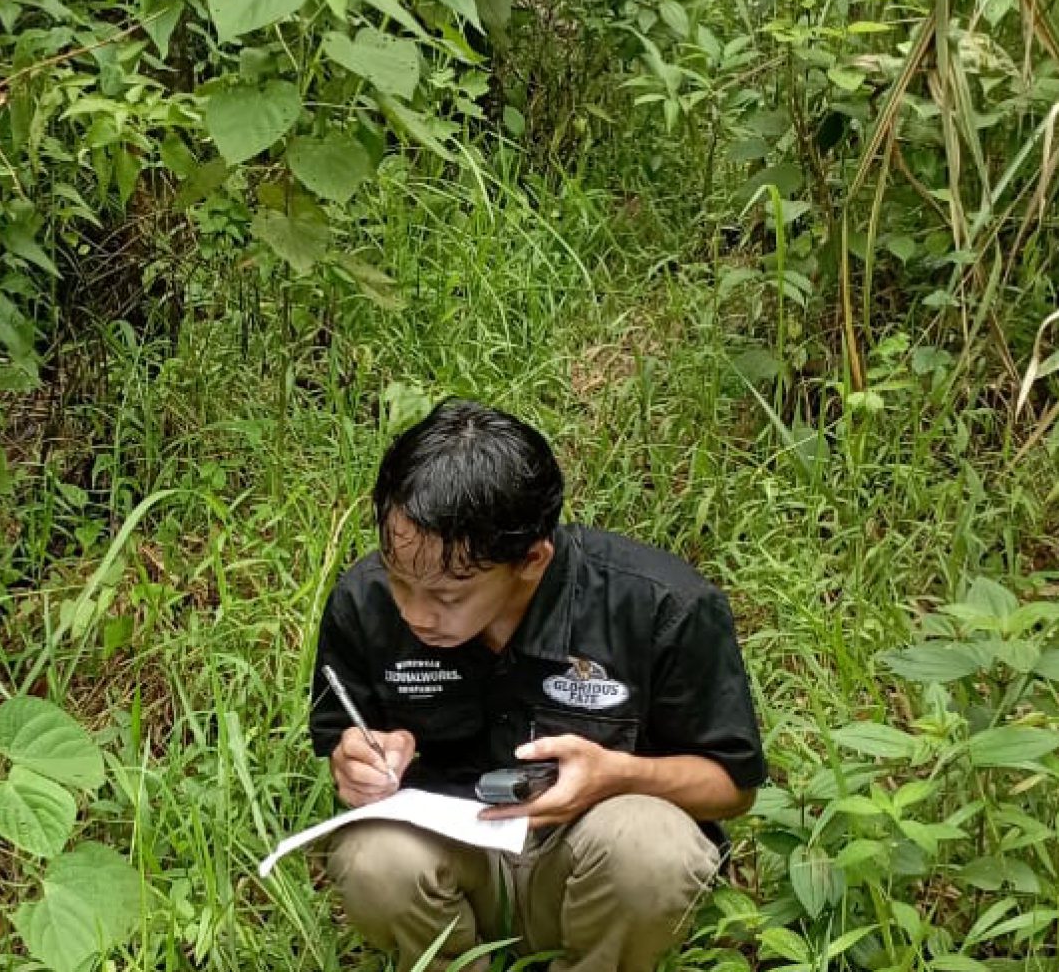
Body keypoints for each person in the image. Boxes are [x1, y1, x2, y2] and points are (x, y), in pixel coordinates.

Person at [310, 401, 766, 972]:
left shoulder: (661, 606)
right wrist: (358, 761)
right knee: (373, 856)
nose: (415, 614)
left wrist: (620, 778)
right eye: (400, 580)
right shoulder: (363, 601)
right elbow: (340, 744)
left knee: (652, 849)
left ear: (530, 560)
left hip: (589, 869)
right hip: (457, 871)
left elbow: (734, 785)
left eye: (449, 596)